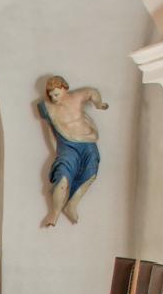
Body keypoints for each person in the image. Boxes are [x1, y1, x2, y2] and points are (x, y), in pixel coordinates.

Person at [37, 75, 109, 226]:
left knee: (91, 174)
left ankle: (72, 205)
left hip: (87, 142)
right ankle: (54, 213)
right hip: (66, 144)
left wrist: (99, 104)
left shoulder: (77, 97)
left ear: (64, 88)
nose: (54, 98)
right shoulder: (48, 108)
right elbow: (50, 129)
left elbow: (92, 92)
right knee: (63, 176)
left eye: (56, 94)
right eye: (51, 95)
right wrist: (54, 149)